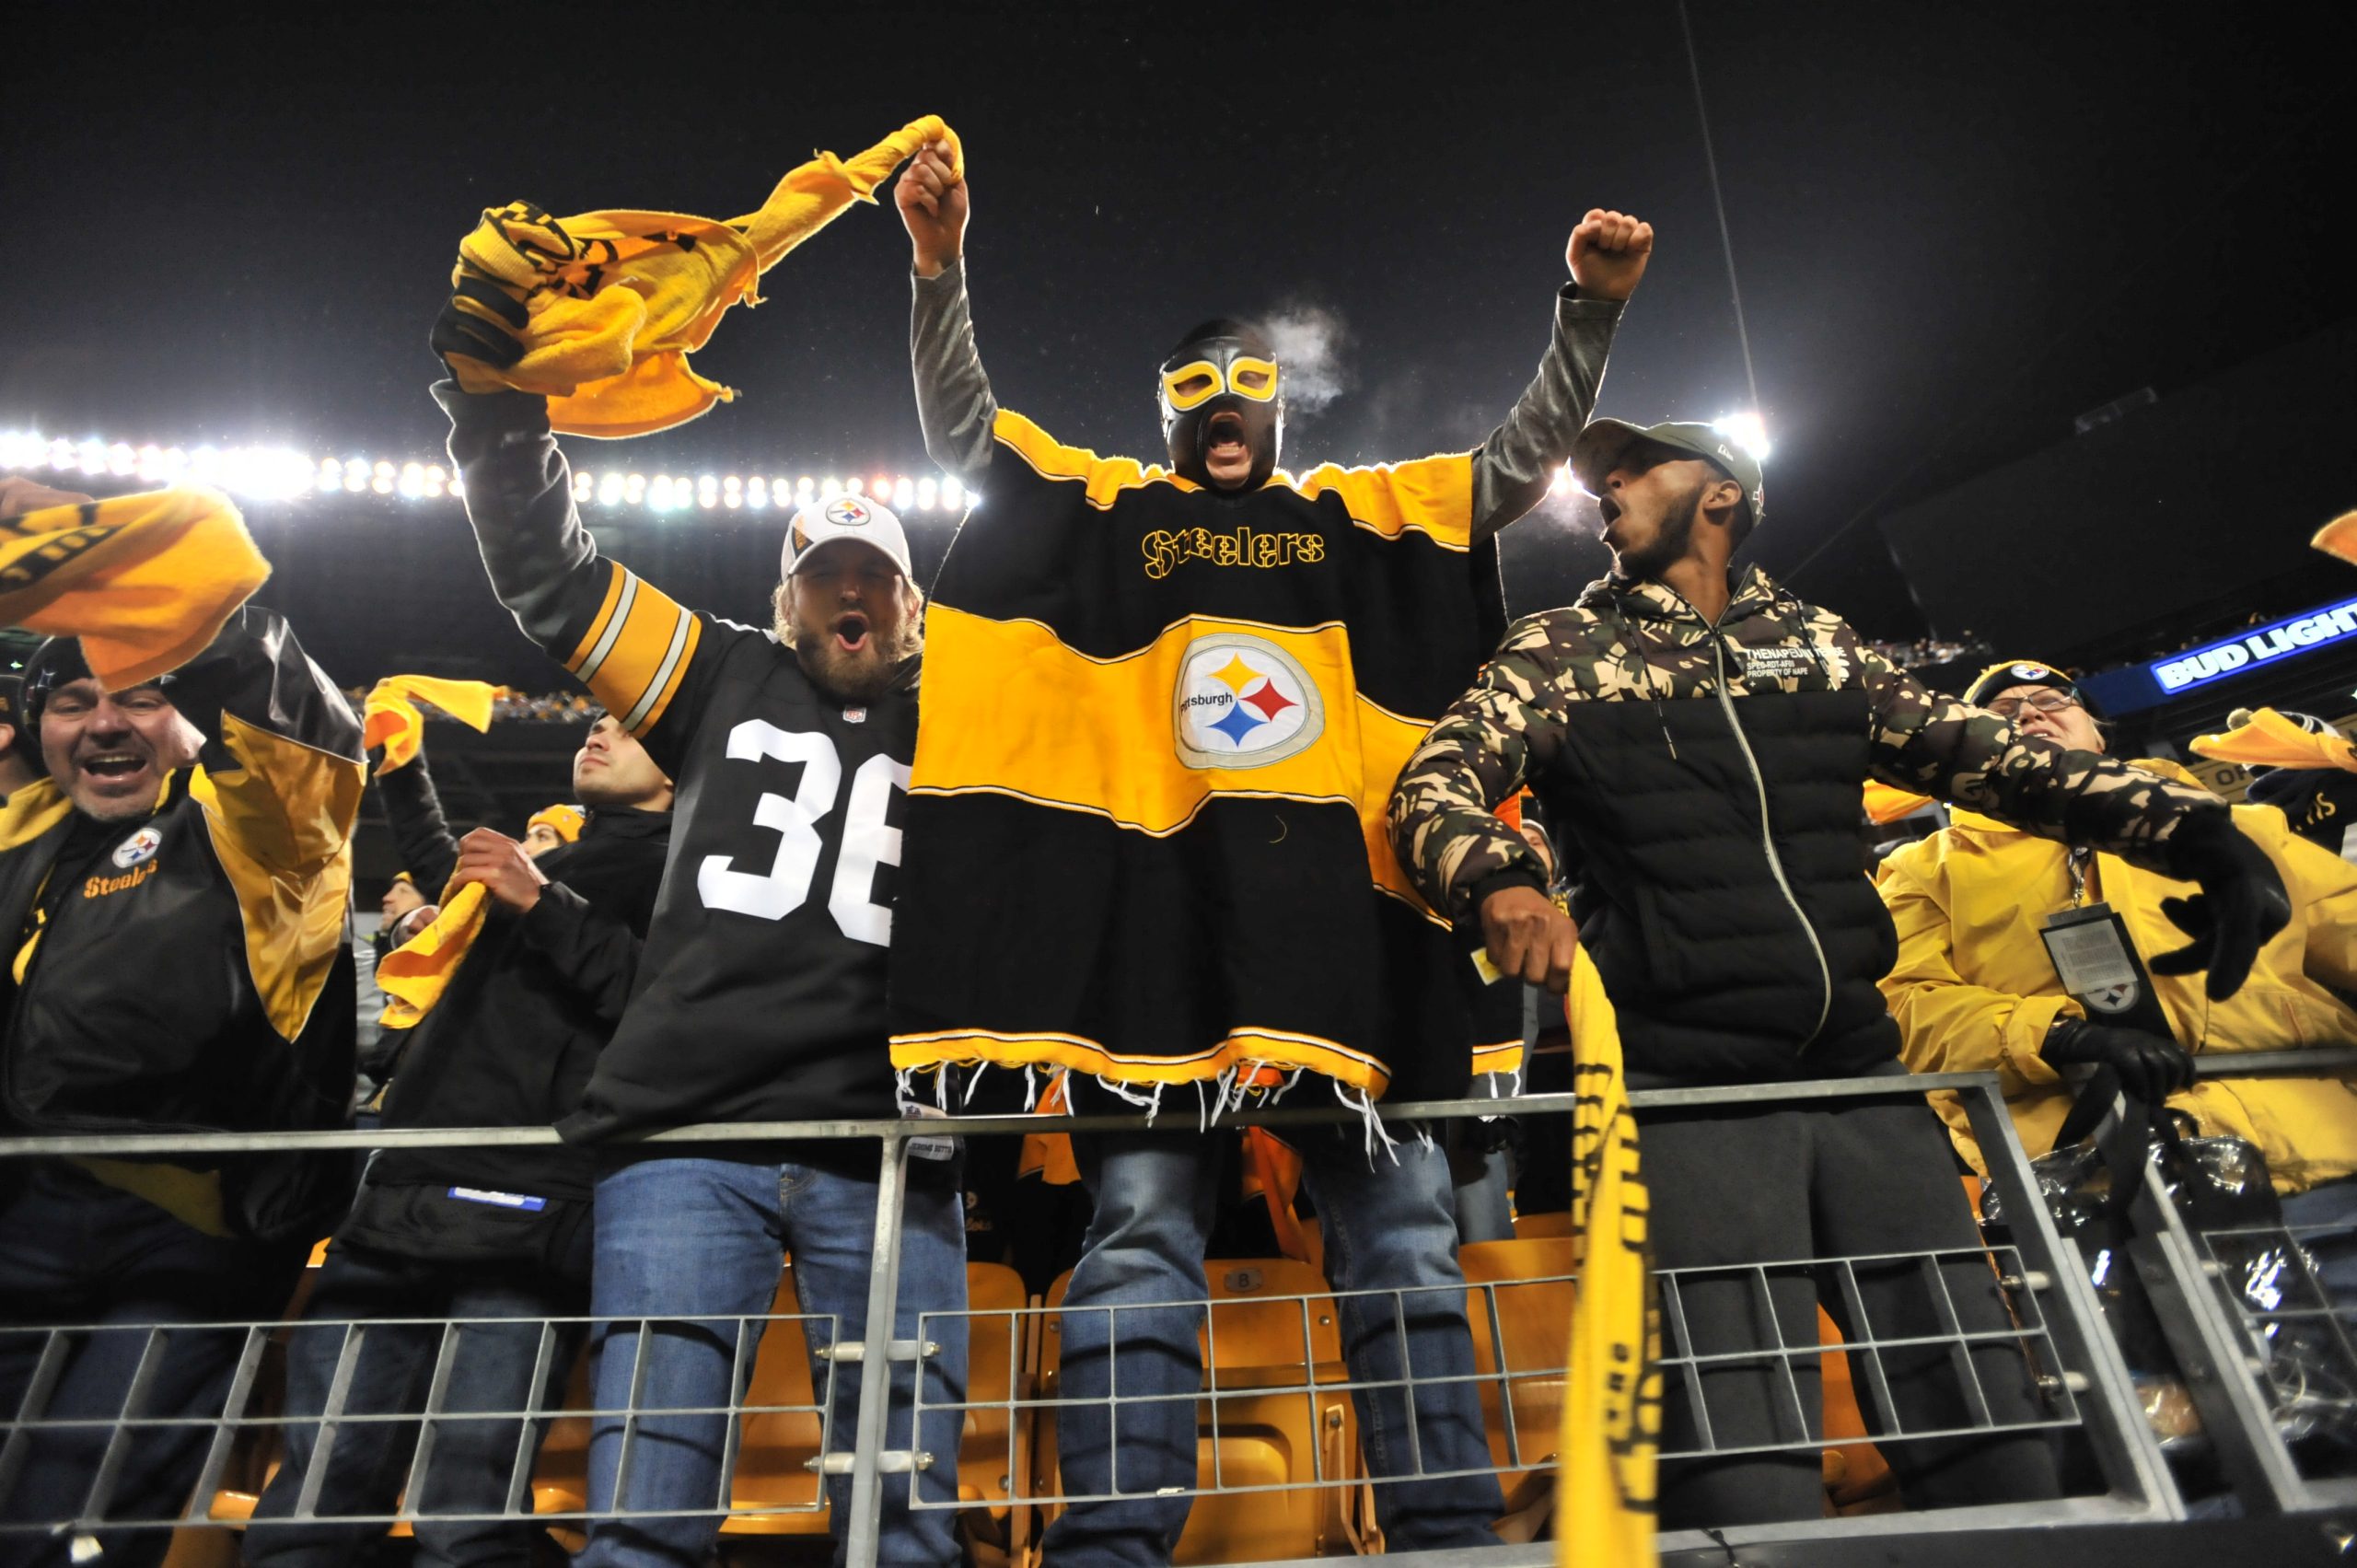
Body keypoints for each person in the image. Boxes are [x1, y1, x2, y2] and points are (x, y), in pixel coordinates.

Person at [889, 141, 1649, 1562]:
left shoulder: (1352, 513)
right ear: (1165, 414)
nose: (1222, 405)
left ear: (1280, 402)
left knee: (1409, 1249)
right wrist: (940, 273)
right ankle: (1115, 1539)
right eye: (1193, 388)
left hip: (1341, 945)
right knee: (1133, 1248)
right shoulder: (1113, 505)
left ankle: (1444, 1534)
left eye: (1246, 381)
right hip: (1154, 948)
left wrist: (1585, 317)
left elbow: (1507, 471)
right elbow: (967, 435)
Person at [1388, 418, 2292, 1528]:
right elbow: (1433, 786)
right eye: (1601, 469)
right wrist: (1496, 877)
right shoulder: (1563, 649)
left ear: (1719, 496)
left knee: (1982, 1419)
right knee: (1743, 1450)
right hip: (1693, 1095)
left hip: (1867, 1081)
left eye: (1635, 465)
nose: (1605, 481)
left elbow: (1989, 756)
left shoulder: (1819, 644)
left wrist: (2192, 830)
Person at [431, 292, 965, 1568]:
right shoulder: (717, 670)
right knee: (645, 1519)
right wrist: (499, 419)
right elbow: (552, 580)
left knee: (905, 1530)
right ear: (785, 602)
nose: (850, 595)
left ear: (910, 605)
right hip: (686, 1135)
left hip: (885, 1141)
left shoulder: (978, 709)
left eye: (874, 578)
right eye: (823, 576)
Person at [0, 485, 365, 1568]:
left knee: (74, 1524)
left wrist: (187, 581)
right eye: (71, 701)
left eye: (140, 693)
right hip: (18, 1215)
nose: (104, 720)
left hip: (188, 1231)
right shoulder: (18, 843)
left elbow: (300, 732)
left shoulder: (262, 835)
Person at [247, 714, 673, 1568]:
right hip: (403, 1183)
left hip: (528, 1202)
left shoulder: (693, 865)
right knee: (310, 1509)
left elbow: (662, 1002)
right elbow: (457, 872)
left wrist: (541, 897)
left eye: (632, 725)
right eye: (598, 715)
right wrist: (404, 771)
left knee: (466, 1516)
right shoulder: (554, 858)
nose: (599, 725)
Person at [1876, 660, 2357, 1291]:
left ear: (2098, 736)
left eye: (2052, 700)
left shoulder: (2236, 831)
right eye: (2002, 713)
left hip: (2318, 1157)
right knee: (2191, 1388)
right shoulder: (1922, 869)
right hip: (2104, 1190)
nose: (2030, 713)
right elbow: (1906, 1006)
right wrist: (2056, 1037)